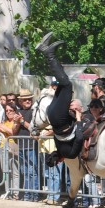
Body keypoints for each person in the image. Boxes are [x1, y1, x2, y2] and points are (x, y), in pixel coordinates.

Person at [35, 33, 88, 162]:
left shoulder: (69, 154)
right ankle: (47, 52)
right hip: (53, 116)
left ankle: (49, 53)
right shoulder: (59, 147)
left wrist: (79, 120)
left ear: (60, 161)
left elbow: (79, 138)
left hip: (59, 119)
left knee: (67, 84)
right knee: (62, 83)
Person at [15, 88, 40, 202]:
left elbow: (34, 128)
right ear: (20, 101)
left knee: (32, 171)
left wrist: (21, 122)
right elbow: (14, 131)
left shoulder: (34, 111)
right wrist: (16, 122)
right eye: (25, 99)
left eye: (29, 99)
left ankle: (34, 195)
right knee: (24, 171)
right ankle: (27, 194)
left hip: (31, 145)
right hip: (21, 145)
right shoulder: (19, 112)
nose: (27, 101)